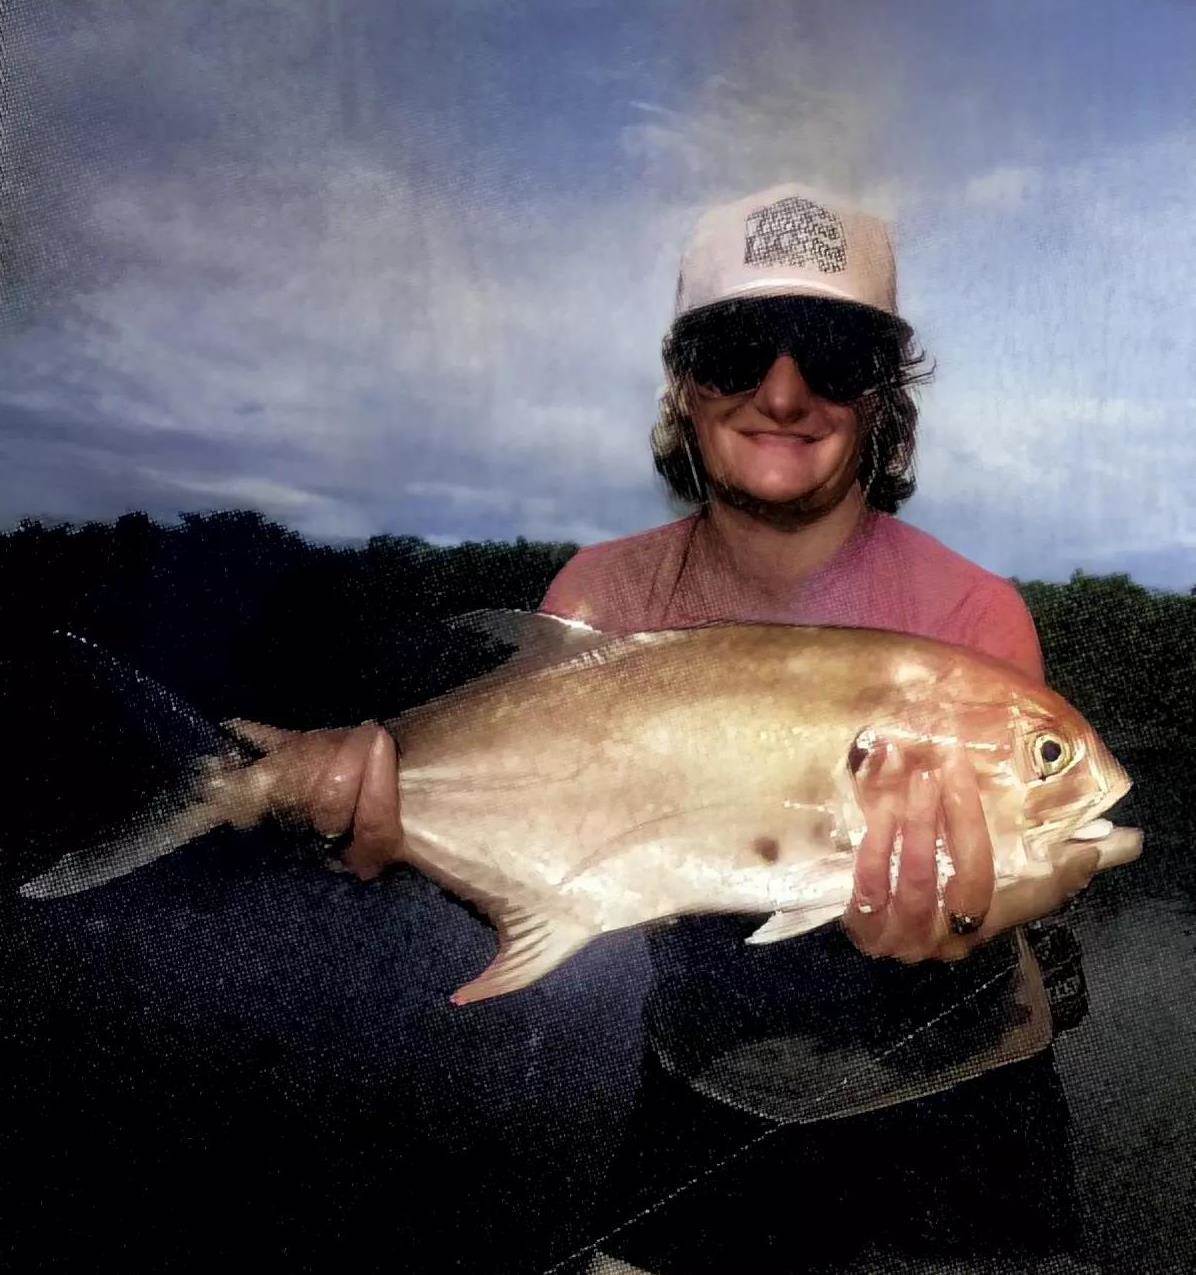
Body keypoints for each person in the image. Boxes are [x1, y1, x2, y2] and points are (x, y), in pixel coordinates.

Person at [231, 183, 1102, 1269]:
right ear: (684, 383)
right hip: (709, 1082)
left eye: (832, 354)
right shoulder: (600, 599)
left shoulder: (972, 613)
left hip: (962, 1099)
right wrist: (372, 819)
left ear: (881, 396)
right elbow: (551, 855)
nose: (783, 392)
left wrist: (970, 911)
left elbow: (1037, 858)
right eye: (738, 349)